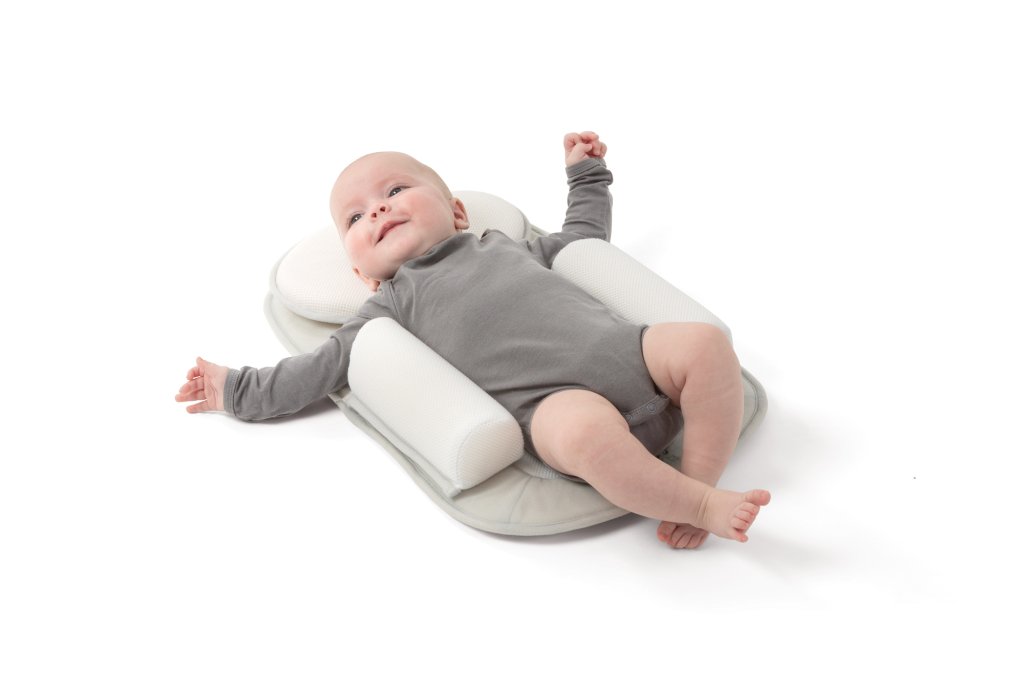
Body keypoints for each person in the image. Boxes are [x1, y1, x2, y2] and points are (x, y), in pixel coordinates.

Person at [175, 132, 770, 548]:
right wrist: (235, 389)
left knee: (704, 345)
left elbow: (586, 239)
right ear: (361, 273)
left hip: (633, 354)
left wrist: (586, 175)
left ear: (457, 212)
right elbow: (316, 370)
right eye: (356, 218)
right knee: (585, 434)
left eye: (394, 192)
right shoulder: (386, 310)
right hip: (555, 406)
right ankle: (698, 506)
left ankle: (698, 479)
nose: (377, 211)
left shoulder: (511, 246)